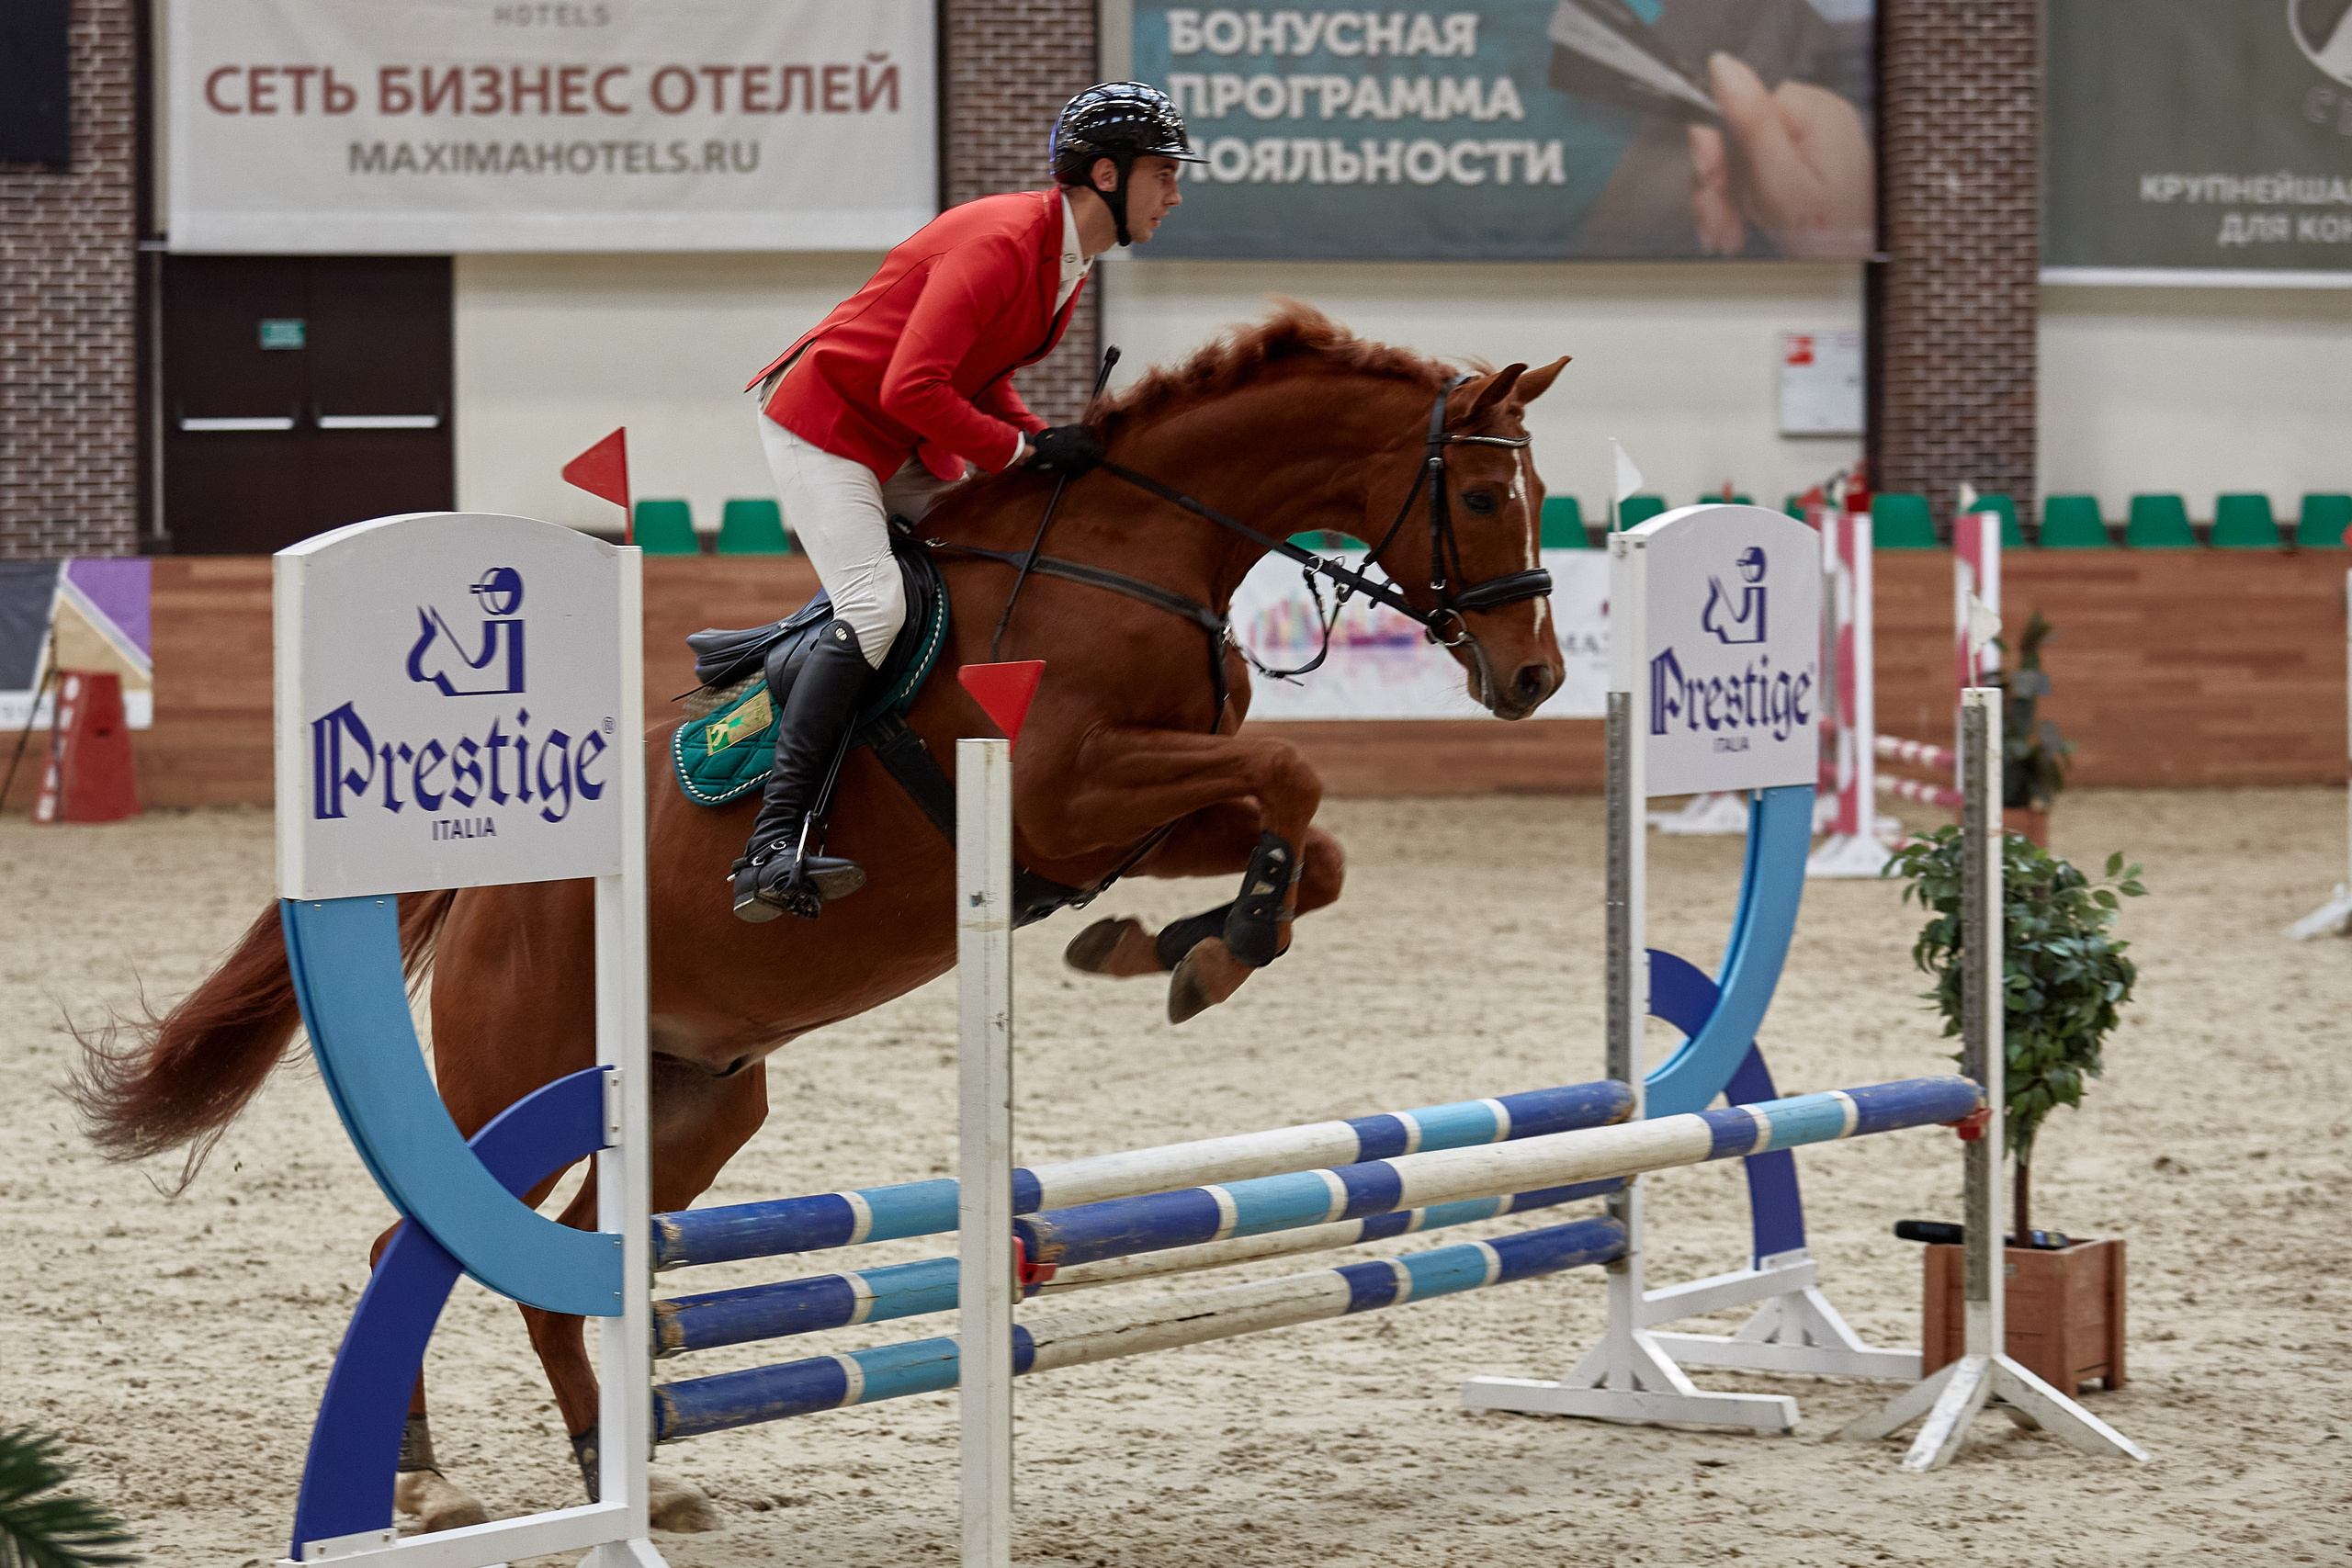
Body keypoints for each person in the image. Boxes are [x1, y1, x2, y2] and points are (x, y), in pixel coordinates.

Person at [729, 82, 1199, 923]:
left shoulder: (1067, 261)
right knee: (875, 607)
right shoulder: (1004, 241)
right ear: (1104, 173)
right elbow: (915, 384)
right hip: (825, 423)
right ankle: (772, 841)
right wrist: (1019, 450)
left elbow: (979, 376)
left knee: (987, 559)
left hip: (899, 433)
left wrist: (1045, 437)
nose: (1175, 193)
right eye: (1163, 173)